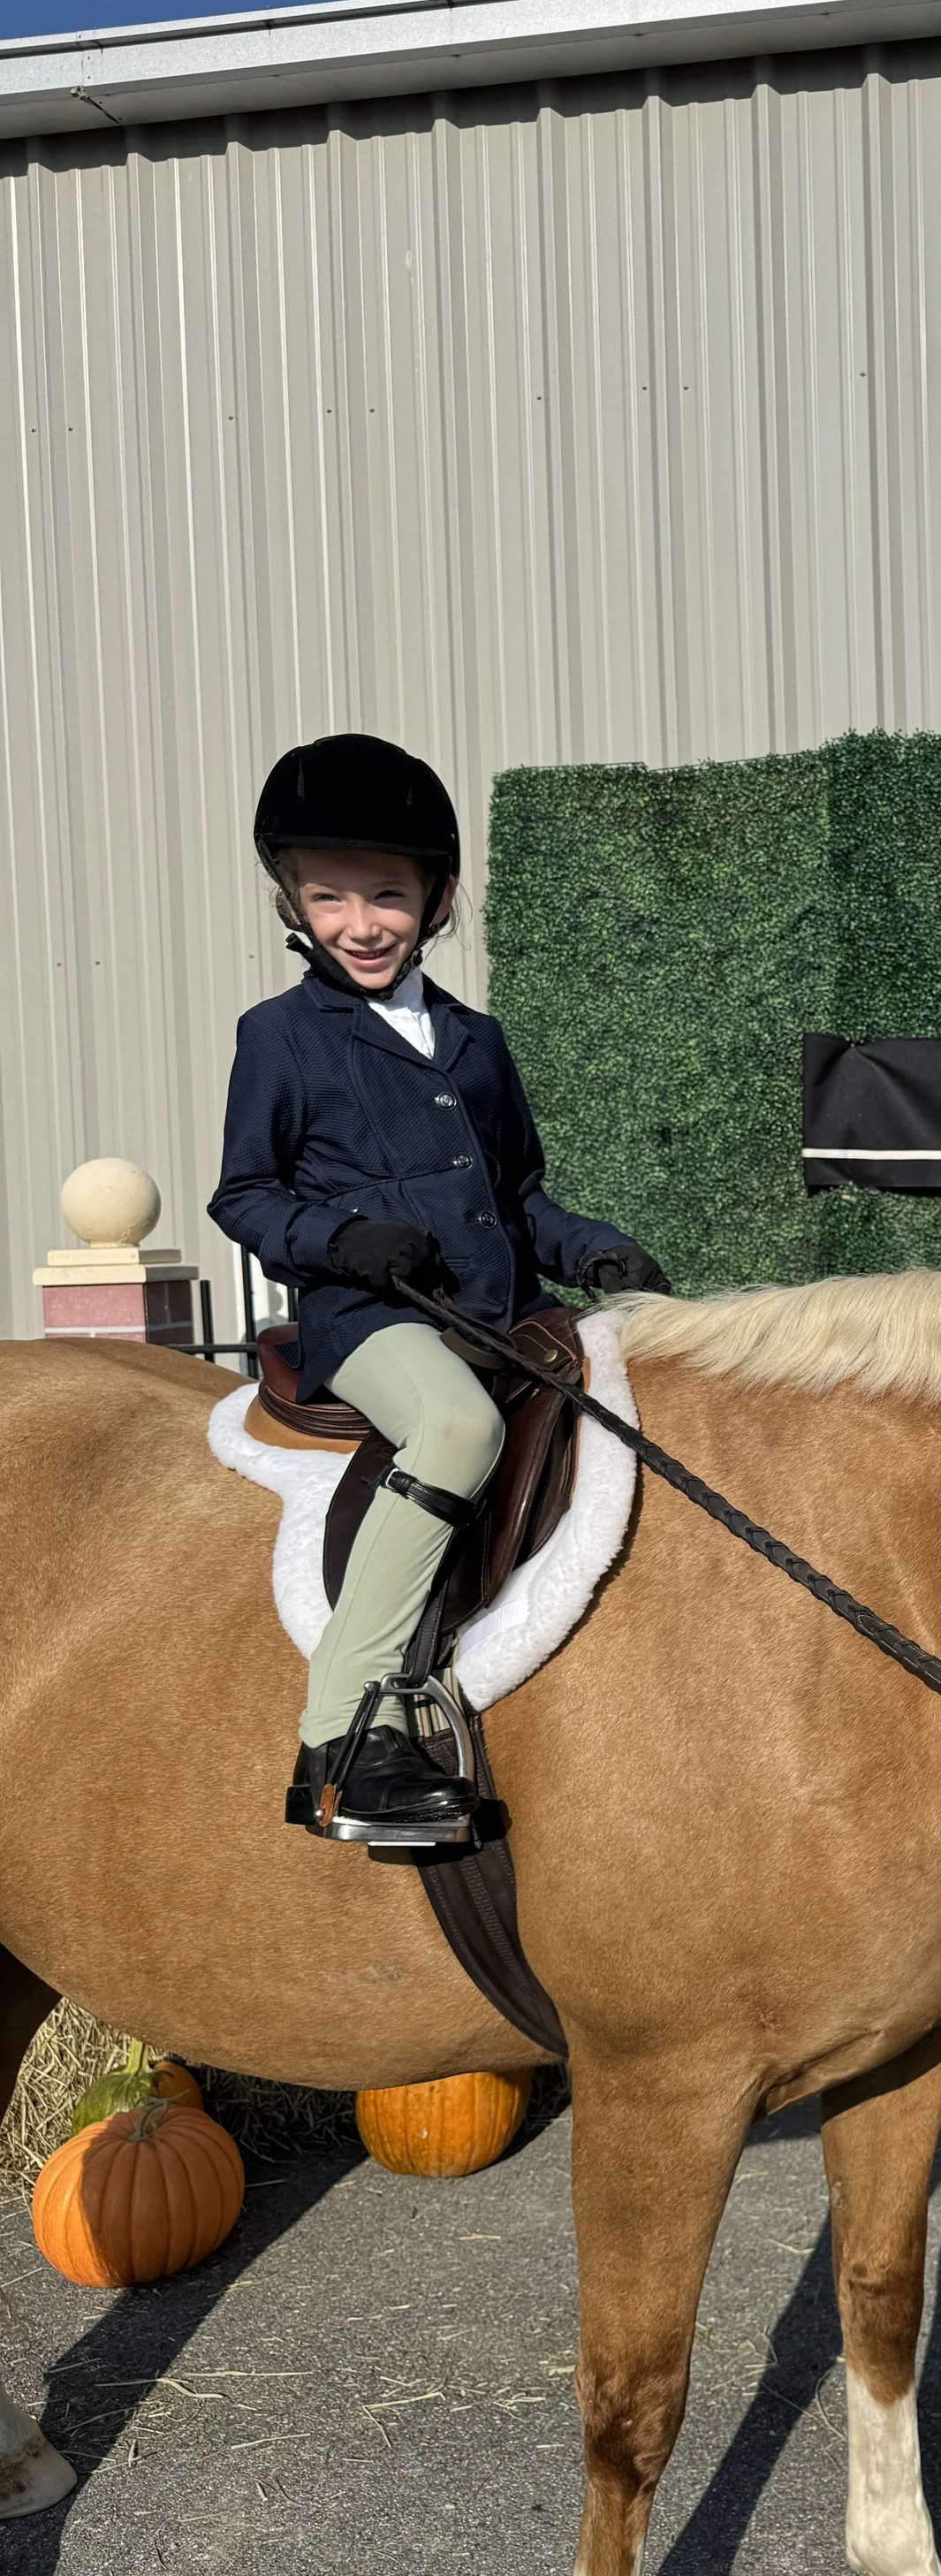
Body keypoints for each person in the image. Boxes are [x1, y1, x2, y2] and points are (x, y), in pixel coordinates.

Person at [211, 733, 666, 1840]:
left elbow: (519, 1199)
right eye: (330, 899)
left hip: (496, 1312)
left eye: (387, 896)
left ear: (436, 898)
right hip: (368, 1319)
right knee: (457, 1430)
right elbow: (243, 1196)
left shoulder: (474, 1040)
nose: (360, 923)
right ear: (294, 902)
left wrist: (593, 1246)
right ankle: (347, 1723)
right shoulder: (278, 1036)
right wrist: (342, 1238)